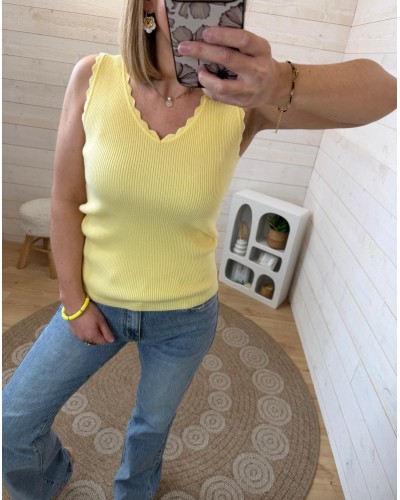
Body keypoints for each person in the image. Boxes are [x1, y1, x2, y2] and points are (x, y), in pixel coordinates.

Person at [3, 0, 396, 497]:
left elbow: (384, 93)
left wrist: (277, 80)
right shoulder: (93, 77)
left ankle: (135, 490)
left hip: (185, 318)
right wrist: (73, 300)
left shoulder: (242, 99)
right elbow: (65, 198)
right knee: (13, 420)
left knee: (151, 428)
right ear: (148, 7)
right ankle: (48, 478)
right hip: (95, 300)